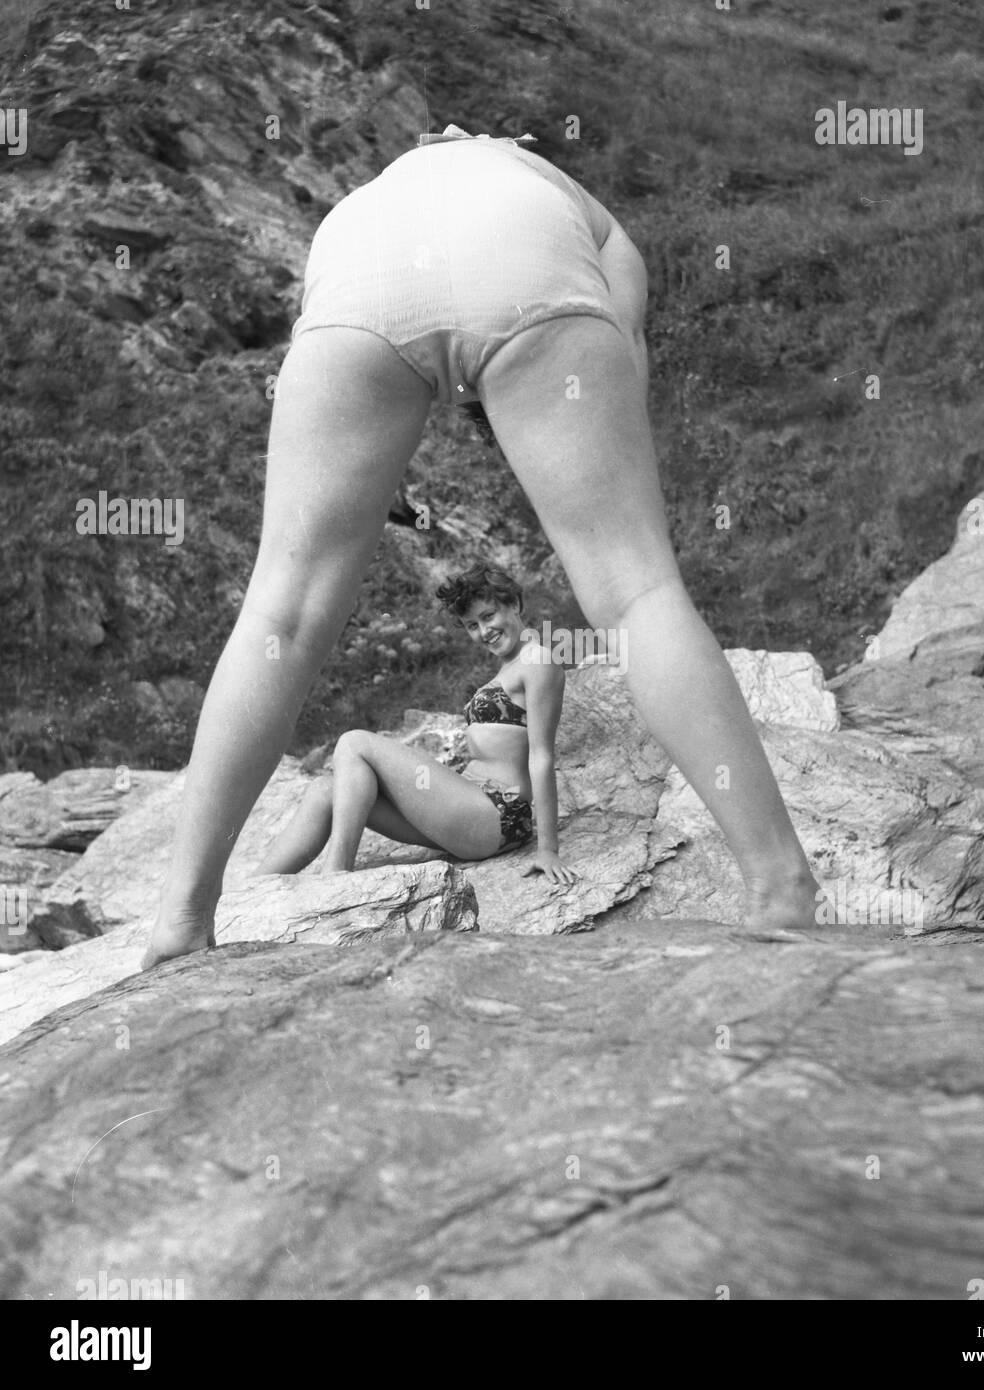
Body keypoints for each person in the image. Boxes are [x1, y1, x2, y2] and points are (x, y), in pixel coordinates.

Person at [142, 124, 818, 968]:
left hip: (358, 284)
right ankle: (778, 883)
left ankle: (180, 915)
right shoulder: (551, 184)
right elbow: (621, 342)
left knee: (282, 611)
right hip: (522, 261)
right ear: (511, 141)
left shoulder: (378, 191)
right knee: (637, 593)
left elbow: (325, 344)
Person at [252, 563, 576, 883]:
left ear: (514, 604)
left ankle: (336, 875)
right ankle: (243, 897)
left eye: (488, 616)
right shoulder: (509, 667)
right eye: (471, 625)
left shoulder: (537, 661)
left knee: (354, 742)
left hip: (497, 815)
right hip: (467, 811)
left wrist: (548, 849)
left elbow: (542, 755)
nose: (483, 631)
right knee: (325, 791)